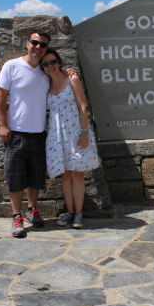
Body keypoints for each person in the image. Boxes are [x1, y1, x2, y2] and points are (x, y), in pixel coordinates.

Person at [0, 32, 50, 238]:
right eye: (34, 43)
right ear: (27, 44)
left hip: (38, 132)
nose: (38, 47)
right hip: (16, 132)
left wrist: (70, 73)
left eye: (42, 45)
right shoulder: (12, 66)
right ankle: (16, 216)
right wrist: (3, 124)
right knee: (16, 177)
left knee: (36, 177)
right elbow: (1, 95)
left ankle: (32, 210)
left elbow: (60, 79)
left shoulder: (46, 69)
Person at [41, 49, 99, 229]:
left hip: (75, 132)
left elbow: (83, 106)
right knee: (65, 175)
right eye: (45, 64)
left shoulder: (71, 79)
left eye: (52, 62)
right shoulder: (45, 85)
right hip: (57, 136)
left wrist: (84, 132)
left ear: (59, 62)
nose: (50, 66)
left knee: (77, 174)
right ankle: (70, 211)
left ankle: (79, 213)